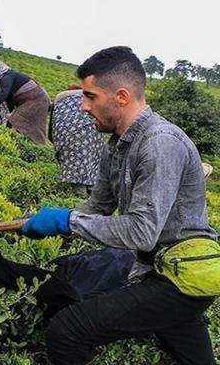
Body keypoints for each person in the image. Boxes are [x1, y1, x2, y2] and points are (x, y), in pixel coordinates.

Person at [20, 46, 218, 365]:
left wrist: (66, 221)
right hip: (156, 268)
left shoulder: (160, 144)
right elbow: (97, 207)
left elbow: (141, 232)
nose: (83, 106)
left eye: (90, 97)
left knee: (68, 331)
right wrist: (35, 222)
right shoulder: (116, 148)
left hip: (181, 276)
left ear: (121, 96)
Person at [50, 85, 105, 193]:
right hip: (93, 134)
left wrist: (55, 142)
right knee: (90, 164)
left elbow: (51, 126)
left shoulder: (61, 101)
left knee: (75, 169)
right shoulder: (90, 99)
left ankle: (77, 196)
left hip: (66, 133)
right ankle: (89, 194)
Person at [0, 60, 50, 144]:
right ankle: (23, 144)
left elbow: (4, 93)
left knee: (16, 120)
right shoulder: (5, 79)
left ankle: (13, 143)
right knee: (18, 122)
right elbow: (9, 102)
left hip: (36, 100)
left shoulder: (7, 76)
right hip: (34, 100)